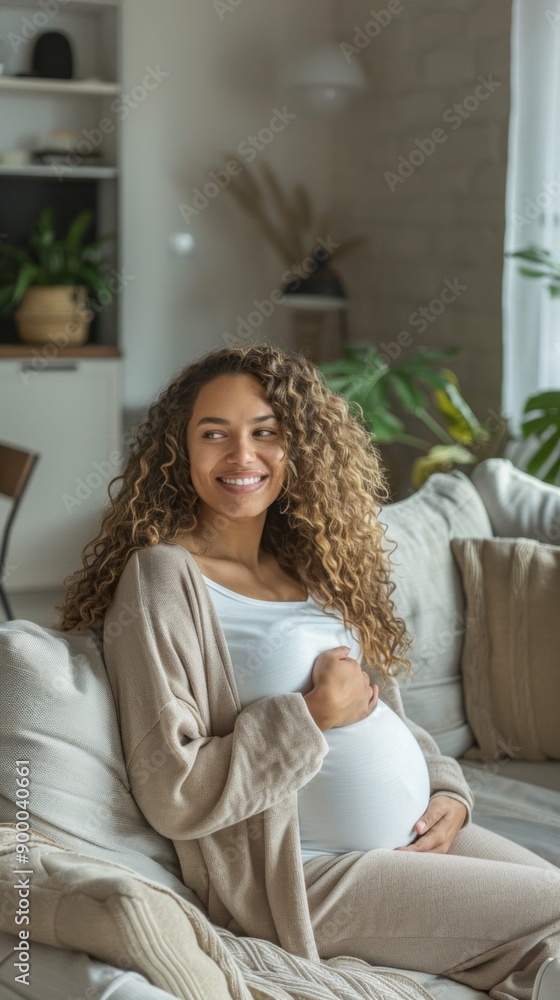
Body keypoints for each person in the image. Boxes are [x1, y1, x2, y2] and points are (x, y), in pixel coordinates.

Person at [57, 344, 560, 1000]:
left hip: (412, 843)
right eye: (216, 435)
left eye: (266, 433)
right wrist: (313, 714)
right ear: (179, 450)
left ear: (299, 449)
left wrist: (447, 794)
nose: (243, 456)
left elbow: (387, 714)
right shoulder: (164, 577)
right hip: (300, 877)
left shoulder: (314, 568)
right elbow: (171, 789)